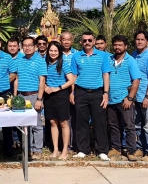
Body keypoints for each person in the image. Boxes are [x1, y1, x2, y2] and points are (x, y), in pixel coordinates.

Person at [70, 32, 111, 161]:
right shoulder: (76, 56)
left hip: (98, 93)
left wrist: (105, 93)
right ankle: (83, 149)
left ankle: (102, 150)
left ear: (93, 41)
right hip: (81, 92)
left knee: (100, 122)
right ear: (81, 42)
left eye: (89, 40)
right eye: (84, 40)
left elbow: (106, 75)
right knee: (81, 122)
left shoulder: (103, 56)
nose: (87, 42)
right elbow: (74, 76)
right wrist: (72, 93)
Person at [107, 35, 141, 162]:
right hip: (111, 99)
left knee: (129, 125)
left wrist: (130, 98)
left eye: (120, 45)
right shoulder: (109, 59)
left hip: (124, 98)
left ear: (125, 46)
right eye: (115, 45)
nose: (117, 47)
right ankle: (116, 147)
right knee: (113, 125)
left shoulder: (130, 60)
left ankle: (131, 150)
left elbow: (136, 80)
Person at [14, 36, 47, 160]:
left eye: (30, 45)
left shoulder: (40, 61)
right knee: (24, 124)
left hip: (34, 95)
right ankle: (26, 149)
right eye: (25, 45)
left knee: (37, 123)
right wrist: (15, 95)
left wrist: (39, 99)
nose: (27, 48)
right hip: (22, 96)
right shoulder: (19, 60)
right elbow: (17, 78)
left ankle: (37, 149)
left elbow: (42, 80)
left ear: (35, 47)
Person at [44, 41, 75, 160]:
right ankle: (56, 149)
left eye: (55, 51)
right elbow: (41, 78)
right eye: (51, 51)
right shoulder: (45, 64)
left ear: (59, 52)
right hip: (49, 96)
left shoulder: (63, 64)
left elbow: (71, 80)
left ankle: (64, 151)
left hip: (61, 95)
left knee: (63, 123)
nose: (53, 53)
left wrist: (58, 88)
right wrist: (46, 87)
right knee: (52, 122)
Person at [131, 30, 148, 161]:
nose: (139, 42)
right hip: (136, 96)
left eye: (142, 39)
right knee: (137, 124)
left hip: (146, 97)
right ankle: (140, 148)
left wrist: (147, 97)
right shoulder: (134, 55)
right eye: (138, 39)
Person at [60, 31, 77, 152]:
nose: (66, 42)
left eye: (69, 39)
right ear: (61, 41)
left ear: (72, 41)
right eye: (64, 39)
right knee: (62, 119)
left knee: (75, 118)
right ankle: (63, 145)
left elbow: (76, 75)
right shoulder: (55, 53)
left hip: (75, 89)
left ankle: (74, 144)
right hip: (59, 90)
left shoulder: (77, 54)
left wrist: (72, 92)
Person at [6, 35, 24, 148]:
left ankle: (20, 141)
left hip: (20, 90)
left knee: (19, 116)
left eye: (14, 46)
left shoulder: (23, 58)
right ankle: (12, 140)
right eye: (10, 46)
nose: (12, 48)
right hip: (6, 89)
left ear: (18, 47)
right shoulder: (4, 57)